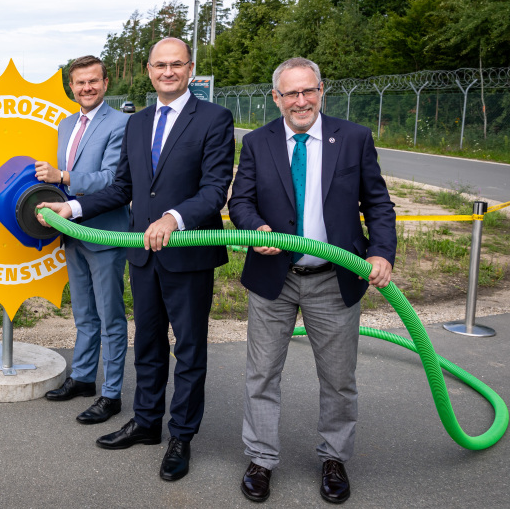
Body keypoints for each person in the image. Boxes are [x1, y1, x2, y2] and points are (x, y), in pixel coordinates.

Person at [37, 37, 235, 482]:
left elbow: (214, 188)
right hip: (143, 254)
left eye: (177, 64)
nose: (168, 72)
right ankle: (146, 423)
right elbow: (123, 187)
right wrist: (73, 208)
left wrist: (173, 218)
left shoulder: (214, 118)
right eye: (160, 65)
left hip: (189, 254)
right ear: (149, 70)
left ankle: (181, 436)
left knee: (189, 350)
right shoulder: (138, 122)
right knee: (147, 344)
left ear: (189, 69)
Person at [228, 57, 396, 504]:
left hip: (334, 278)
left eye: (308, 91)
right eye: (291, 93)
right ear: (276, 97)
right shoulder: (258, 142)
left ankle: (334, 457)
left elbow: (378, 203)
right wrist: (255, 228)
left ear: (322, 90)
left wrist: (381, 252)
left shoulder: (354, 138)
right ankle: (261, 459)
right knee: (262, 374)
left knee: (338, 378)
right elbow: (240, 201)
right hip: (274, 279)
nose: (300, 101)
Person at [34, 55, 129, 424]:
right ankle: (84, 378)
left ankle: (112, 394)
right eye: (80, 82)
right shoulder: (66, 124)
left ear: (105, 83)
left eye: (93, 81)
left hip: (104, 233)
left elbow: (112, 179)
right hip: (71, 231)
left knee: (110, 318)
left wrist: (63, 176)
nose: (87, 88)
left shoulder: (121, 123)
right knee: (84, 314)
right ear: (70, 87)